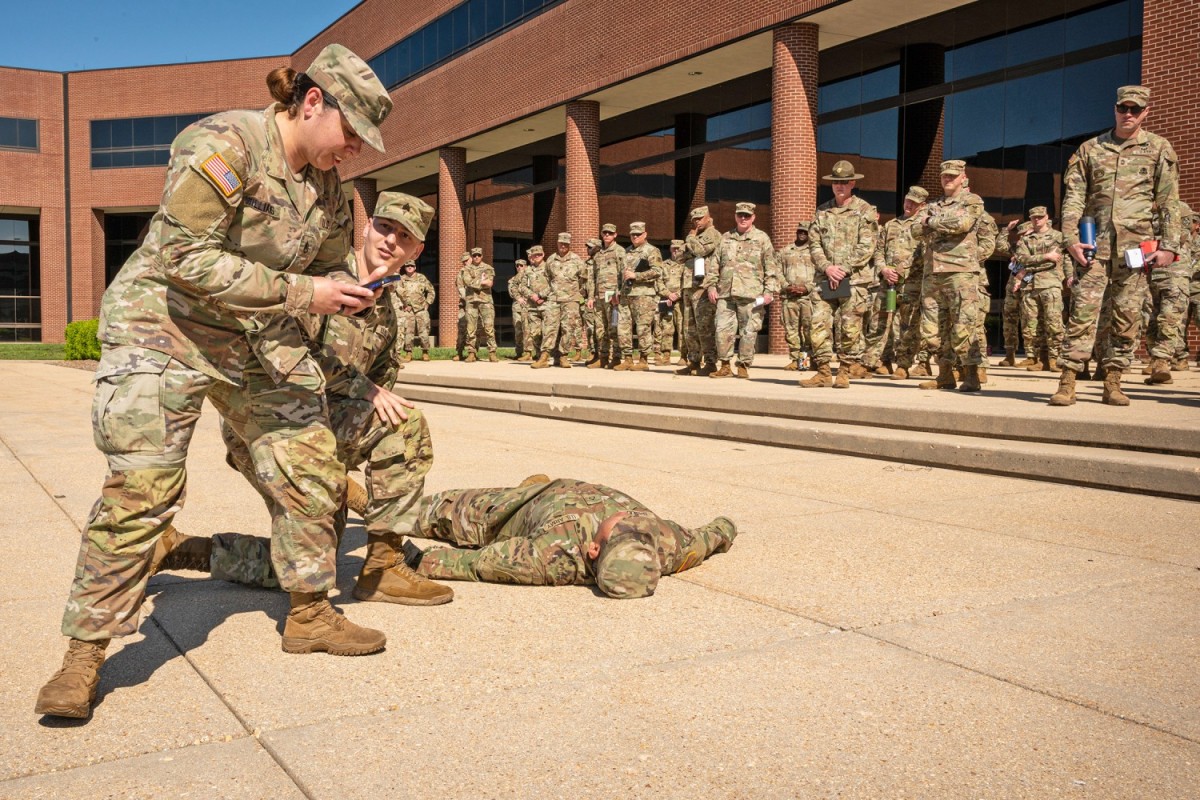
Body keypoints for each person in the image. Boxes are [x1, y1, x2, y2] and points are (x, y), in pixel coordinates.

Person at [35, 44, 395, 719]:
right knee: (144, 486)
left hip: (252, 335)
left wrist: (352, 276)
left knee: (309, 456)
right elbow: (179, 256)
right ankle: (83, 654)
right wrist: (304, 290)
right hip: (162, 326)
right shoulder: (224, 143)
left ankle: (311, 614)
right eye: (351, 133)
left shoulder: (329, 190)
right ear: (312, 102)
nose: (354, 150)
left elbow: (322, 271)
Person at [217, 190, 453, 607]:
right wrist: (363, 389)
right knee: (307, 562)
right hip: (270, 425)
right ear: (365, 228)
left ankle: (383, 568)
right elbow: (281, 355)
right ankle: (193, 550)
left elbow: (381, 391)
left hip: (323, 425)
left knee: (403, 426)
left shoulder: (387, 312)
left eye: (403, 236)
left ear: (416, 249)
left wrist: (371, 462)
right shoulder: (316, 277)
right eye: (384, 227)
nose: (389, 241)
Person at [1051, 85, 1181, 407]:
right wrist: (1070, 240)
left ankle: (1113, 381)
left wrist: (1169, 246)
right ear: (1115, 109)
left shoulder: (1158, 149)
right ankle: (1068, 380)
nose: (1128, 114)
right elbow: (1073, 199)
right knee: (1082, 312)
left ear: (1146, 113)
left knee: (1127, 315)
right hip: (1093, 248)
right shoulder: (1090, 149)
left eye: (1135, 110)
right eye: (1123, 108)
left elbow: (1169, 203)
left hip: (1136, 250)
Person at [406, 478, 737, 598]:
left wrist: (413, 558)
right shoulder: (664, 543)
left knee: (431, 513)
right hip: (567, 487)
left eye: (620, 531)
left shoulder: (548, 559)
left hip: (514, 510)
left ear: (594, 550)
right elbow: (710, 535)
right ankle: (532, 480)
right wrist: (727, 527)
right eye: (637, 534)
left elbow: (473, 563)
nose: (630, 521)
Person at [910, 160, 988, 393]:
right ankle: (944, 375)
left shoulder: (972, 201)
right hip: (933, 273)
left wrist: (931, 222)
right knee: (933, 330)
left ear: (963, 178)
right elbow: (914, 229)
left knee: (964, 327)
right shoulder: (933, 203)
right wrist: (930, 222)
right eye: (945, 176)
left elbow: (963, 223)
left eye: (953, 176)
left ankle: (972, 374)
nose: (948, 179)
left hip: (961, 273)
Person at [802, 160, 880, 389]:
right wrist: (828, 267)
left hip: (853, 280)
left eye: (844, 182)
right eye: (836, 182)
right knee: (818, 323)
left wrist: (843, 268)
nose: (840, 186)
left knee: (849, 327)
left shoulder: (865, 210)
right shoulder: (822, 211)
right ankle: (824, 371)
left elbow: (867, 246)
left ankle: (845, 371)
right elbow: (814, 244)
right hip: (826, 279)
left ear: (852, 183)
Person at [707, 202, 778, 379]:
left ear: (753, 217)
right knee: (722, 330)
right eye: (740, 215)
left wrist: (769, 291)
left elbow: (771, 267)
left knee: (749, 331)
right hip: (726, 293)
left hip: (751, 294)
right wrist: (710, 286)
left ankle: (744, 364)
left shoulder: (762, 239)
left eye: (747, 215)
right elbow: (714, 264)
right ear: (736, 216)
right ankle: (724, 365)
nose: (743, 218)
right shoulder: (725, 238)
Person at [865, 186, 926, 378]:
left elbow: (925, 255)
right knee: (879, 321)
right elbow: (878, 251)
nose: (908, 205)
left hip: (911, 284)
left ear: (922, 205)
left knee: (908, 326)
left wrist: (903, 271)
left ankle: (903, 365)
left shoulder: (924, 227)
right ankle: (880, 361)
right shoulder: (891, 224)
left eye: (914, 203)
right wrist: (884, 269)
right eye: (907, 201)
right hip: (888, 283)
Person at [1142, 202, 1193, 384]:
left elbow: (1182, 236)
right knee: (1149, 320)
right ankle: (1154, 357)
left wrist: (1151, 240)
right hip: (1147, 272)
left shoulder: (1180, 208)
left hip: (1174, 271)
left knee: (1169, 318)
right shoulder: (1141, 208)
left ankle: (1161, 362)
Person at [1013, 207, 1067, 373]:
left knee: (1054, 322)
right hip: (1030, 286)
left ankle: (1055, 359)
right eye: (1034, 218)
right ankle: (1040, 359)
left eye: (1040, 217)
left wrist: (1034, 262)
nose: (1037, 220)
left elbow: (1061, 258)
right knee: (1032, 325)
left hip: (1050, 284)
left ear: (1046, 217)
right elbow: (1022, 259)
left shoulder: (1058, 237)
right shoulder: (1025, 240)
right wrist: (1046, 257)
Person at [677, 206, 723, 376]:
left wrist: (690, 238)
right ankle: (694, 361)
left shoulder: (714, 235)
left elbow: (699, 250)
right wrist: (691, 242)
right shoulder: (695, 237)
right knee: (689, 328)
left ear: (708, 217)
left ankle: (710, 362)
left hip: (703, 287)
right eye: (694, 219)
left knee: (704, 327)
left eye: (700, 218)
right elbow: (678, 257)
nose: (697, 222)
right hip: (688, 286)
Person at [533, 232, 587, 368]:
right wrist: (543, 294)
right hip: (553, 299)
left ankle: (562, 356)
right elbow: (546, 279)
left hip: (570, 300)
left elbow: (585, 279)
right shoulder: (551, 260)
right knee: (549, 327)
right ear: (557, 243)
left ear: (569, 244)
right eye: (561, 243)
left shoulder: (577, 260)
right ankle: (544, 356)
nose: (563, 246)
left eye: (566, 244)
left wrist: (579, 295)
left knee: (568, 329)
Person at [615, 221, 663, 371]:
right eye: (632, 234)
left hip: (644, 296)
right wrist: (617, 291)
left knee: (643, 328)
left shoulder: (652, 251)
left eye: (638, 234)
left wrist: (636, 275)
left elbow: (657, 271)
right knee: (623, 327)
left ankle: (643, 360)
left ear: (645, 234)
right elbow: (620, 274)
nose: (635, 237)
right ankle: (627, 358)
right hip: (626, 295)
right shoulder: (627, 252)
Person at [777, 221, 816, 372]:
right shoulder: (785, 251)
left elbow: (820, 274)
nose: (802, 234)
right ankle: (795, 360)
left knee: (809, 331)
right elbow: (777, 271)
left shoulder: (815, 251)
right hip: (789, 298)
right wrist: (786, 286)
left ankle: (806, 362)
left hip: (808, 298)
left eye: (805, 232)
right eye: (800, 231)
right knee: (791, 330)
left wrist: (806, 288)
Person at [587, 223, 625, 368]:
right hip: (599, 297)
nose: (607, 235)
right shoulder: (598, 254)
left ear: (615, 235)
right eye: (605, 233)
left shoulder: (619, 251)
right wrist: (591, 296)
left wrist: (620, 292)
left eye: (610, 233)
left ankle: (616, 357)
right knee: (600, 328)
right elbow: (593, 277)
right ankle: (603, 357)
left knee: (613, 327)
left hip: (613, 296)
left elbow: (623, 272)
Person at [461, 247, 497, 362]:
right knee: (471, 328)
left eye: (478, 255)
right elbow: (467, 282)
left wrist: (475, 282)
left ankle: (492, 352)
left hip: (485, 301)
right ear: (471, 256)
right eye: (474, 255)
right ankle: (471, 352)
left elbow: (490, 283)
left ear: (482, 256)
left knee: (489, 327)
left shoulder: (488, 268)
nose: (476, 257)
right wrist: (482, 281)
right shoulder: (466, 269)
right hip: (471, 301)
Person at [396, 259, 436, 361]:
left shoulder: (422, 278)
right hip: (408, 310)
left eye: (412, 266)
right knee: (408, 332)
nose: (410, 268)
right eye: (407, 266)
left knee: (424, 332)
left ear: (415, 267)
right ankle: (409, 352)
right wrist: (404, 305)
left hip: (421, 309)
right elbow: (398, 294)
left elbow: (431, 291)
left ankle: (425, 352)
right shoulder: (401, 279)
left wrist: (428, 303)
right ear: (405, 268)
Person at [656, 240, 687, 365]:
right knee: (666, 328)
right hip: (667, 300)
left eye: (678, 249)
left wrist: (677, 295)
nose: (676, 251)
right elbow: (659, 282)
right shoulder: (664, 265)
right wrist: (668, 294)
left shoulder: (686, 265)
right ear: (670, 249)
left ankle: (684, 355)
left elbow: (687, 283)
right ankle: (666, 355)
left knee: (682, 329)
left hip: (681, 301)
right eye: (673, 248)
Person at [508, 258, 530, 360]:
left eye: (521, 265)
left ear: (525, 266)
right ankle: (519, 352)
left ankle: (528, 352)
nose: (519, 267)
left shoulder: (530, 278)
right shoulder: (512, 280)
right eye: (517, 266)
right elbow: (511, 293)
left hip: (529, 307)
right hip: (517, 307)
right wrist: (519, 298)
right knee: (518, 331)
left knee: (528, 330)